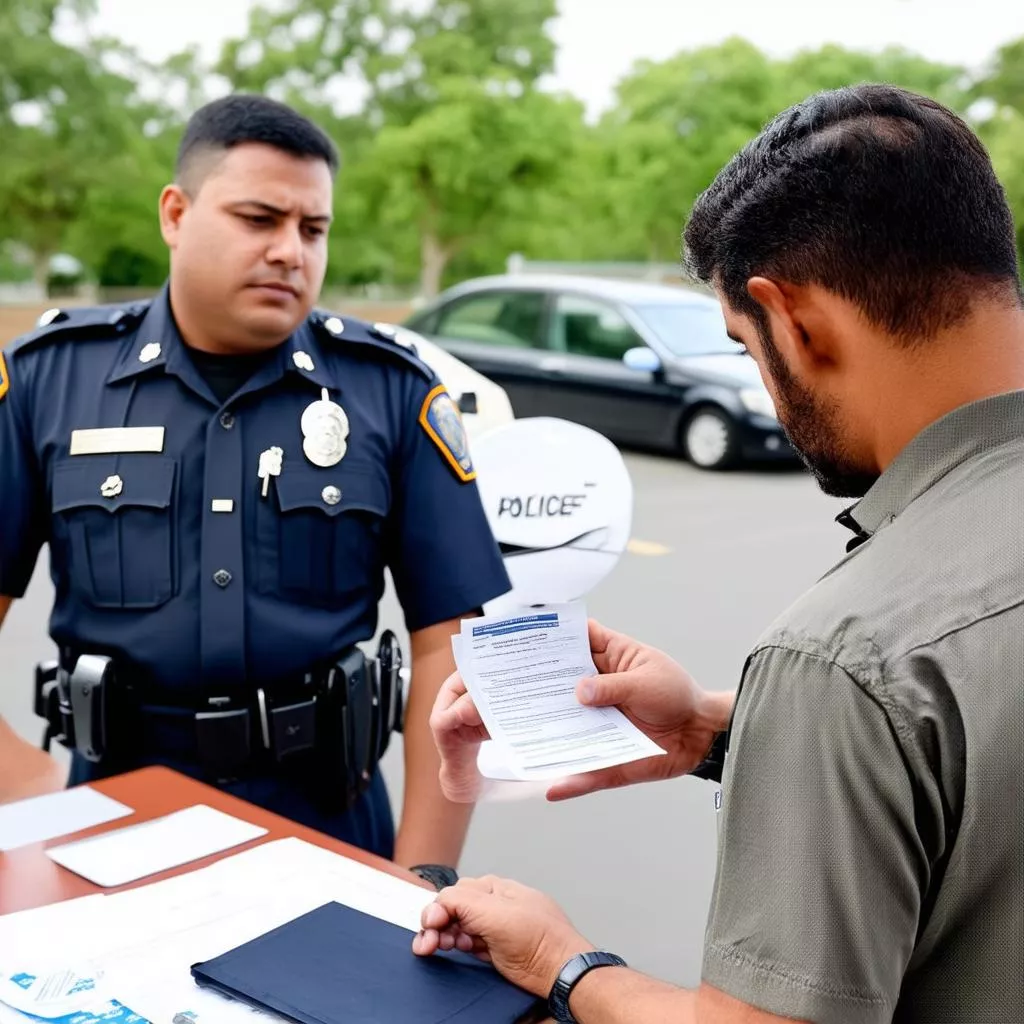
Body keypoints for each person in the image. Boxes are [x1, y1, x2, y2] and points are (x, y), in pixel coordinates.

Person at [411, 83, 1024, 1023]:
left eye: (744, 349)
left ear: (794, 320)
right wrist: (718, 728)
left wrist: (563, 963)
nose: (766, 394)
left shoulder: (845, 656)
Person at [0, 93, 512, 873]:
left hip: (327, 820)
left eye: (313, 230)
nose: (290, 251)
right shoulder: (47, 381)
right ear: (175, 214)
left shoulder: (390, 390)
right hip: (109, 819)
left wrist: (424, 877)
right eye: (259, 219)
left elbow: (451, 644)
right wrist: (33, 787)